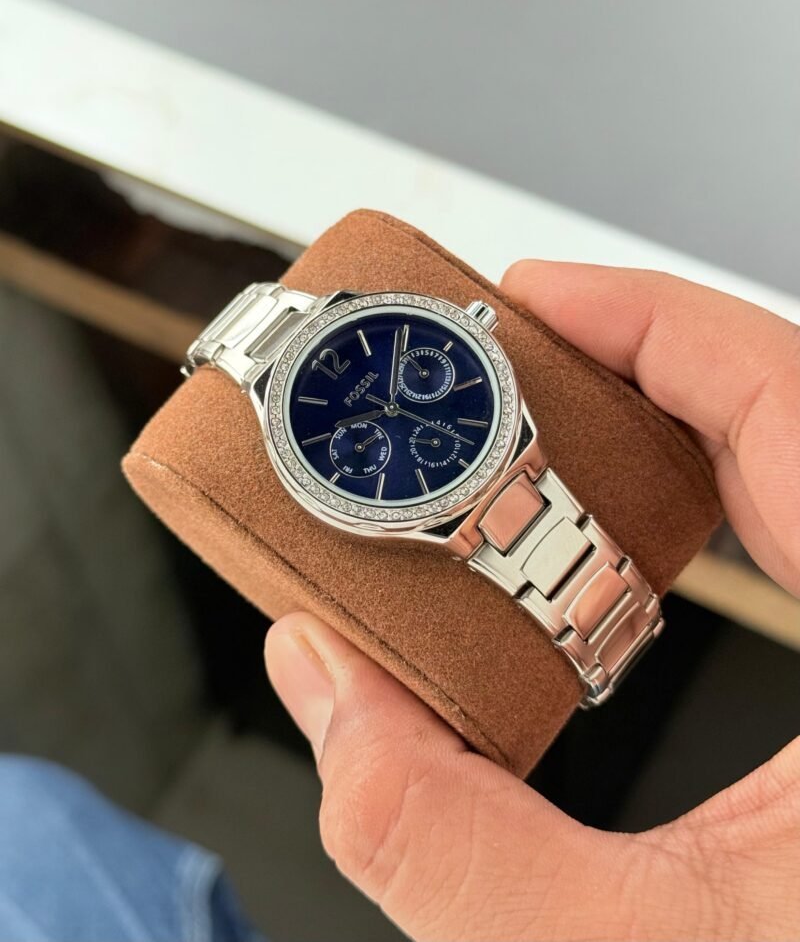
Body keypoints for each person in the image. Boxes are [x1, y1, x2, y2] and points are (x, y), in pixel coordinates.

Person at [3, 264, 798, 941]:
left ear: (469, 333)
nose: (390, 407)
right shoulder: (308, 441)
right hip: (449, 499)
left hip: (501, 455)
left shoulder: (386, 401)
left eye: (417, 376)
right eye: (357, 440)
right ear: (329, 490)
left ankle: (605, 630)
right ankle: (599, 636)